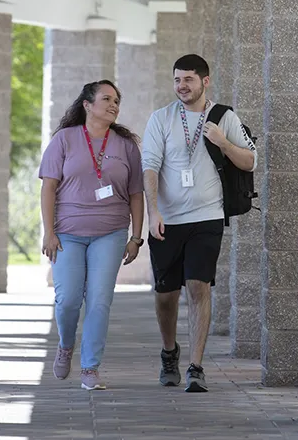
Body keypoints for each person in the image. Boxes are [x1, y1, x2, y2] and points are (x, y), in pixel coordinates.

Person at [142, 54, 257, 392]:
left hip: (208, 216)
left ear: (205, 81)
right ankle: (169, 352)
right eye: (177, 80)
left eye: (188, 79)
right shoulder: (161, 118)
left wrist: (223, 141)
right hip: (168, 219)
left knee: (198, 286)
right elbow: (149, 166)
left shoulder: (225, 117)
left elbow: (250, 161)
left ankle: (195, 366)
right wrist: (153, 213)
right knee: (166, 294)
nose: (182, 86)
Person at [39, 80, 145, 391]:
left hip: (110, 234)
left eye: (117, 100)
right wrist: (49, 232)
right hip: (67, 233)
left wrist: (136, 237)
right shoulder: (65, 139)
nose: (114, 105)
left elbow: (136, 194)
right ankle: (66, 345)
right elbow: (48, 186)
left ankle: (90, 367)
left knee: (99, 301)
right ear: (87, 105)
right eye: (107, 99)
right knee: (69, 300)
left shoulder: (125, 146)